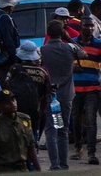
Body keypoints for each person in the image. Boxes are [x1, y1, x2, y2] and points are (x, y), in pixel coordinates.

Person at [41, 20, 79, 170]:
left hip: (50, 95)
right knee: (63, 130)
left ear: (48, 33)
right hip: (66, 95)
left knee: (51, 130)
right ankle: (63, 163)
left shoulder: (43, 50)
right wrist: (68, 38)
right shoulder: (69, 48)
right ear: (62, 33)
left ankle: (54, 164)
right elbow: (83, 52)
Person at [0, 89, 40, 173]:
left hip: (23, 169)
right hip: (4, 170)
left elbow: (30, 147)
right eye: (7, 103)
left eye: (13, 100)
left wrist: (39, 171)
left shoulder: (25, 120)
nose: (13, 104)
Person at [71, 16, 101, 163]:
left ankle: (91, 153)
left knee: (91, 120)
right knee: (76, 120)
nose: (89, 28)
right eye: (86, 26)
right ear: (80, 27)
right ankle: (78, 148)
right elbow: (65, 64)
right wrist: (72, 67)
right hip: (75, 89)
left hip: (93, 88)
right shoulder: (73, 44)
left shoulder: (99, 45)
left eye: (91, 26)